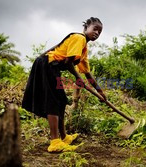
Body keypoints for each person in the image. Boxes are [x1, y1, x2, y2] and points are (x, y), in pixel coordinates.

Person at [22, 17, 106, 152]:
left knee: (61, 100)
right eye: (95, 29)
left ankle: (64, 137)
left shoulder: (84, 48)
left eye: (99, 32)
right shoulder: (79, 38)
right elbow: (68, 62)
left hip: (52, 67)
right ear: (86, 28)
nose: (97, 33)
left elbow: (88, 74)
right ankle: (54, 142)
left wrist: (101, 93)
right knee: (53, 101)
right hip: (47, 64)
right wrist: (78, 78)